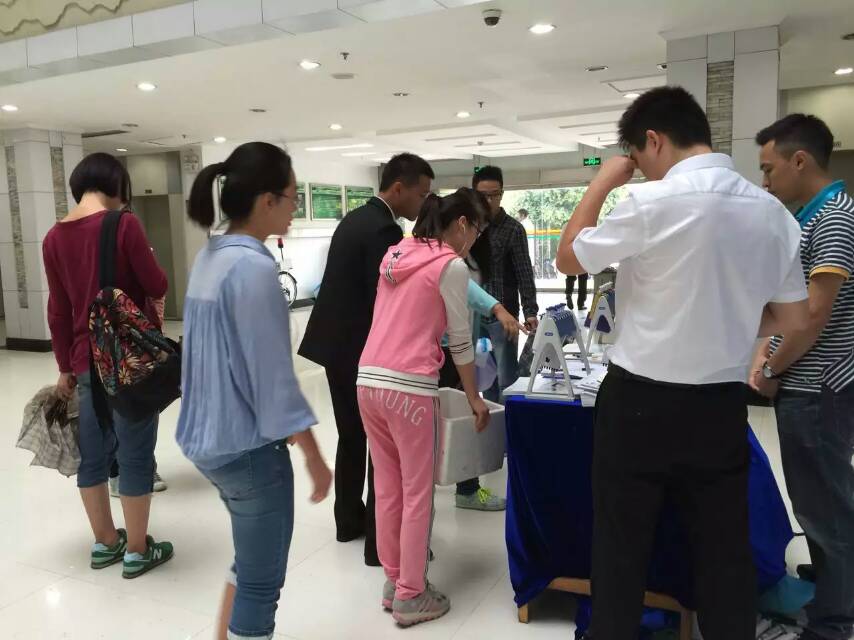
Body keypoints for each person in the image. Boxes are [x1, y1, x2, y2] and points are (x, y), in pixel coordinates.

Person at [555, 86, 810, 640]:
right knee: (723, 553)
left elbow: (568, 257)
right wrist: (727, 319)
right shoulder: (773, 214)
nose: (642, 169)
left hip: (638, 402)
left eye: (638, 158)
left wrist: (603, 181)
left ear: (653, 140)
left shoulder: (651, 202)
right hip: (719, 406)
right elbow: (792, 317)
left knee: (621, 548)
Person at [177, 142, 332, 640]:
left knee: (249, 562)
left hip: (206, 441)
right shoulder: (254, 267)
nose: (294, 210)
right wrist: (314, 455)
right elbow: (272, 379)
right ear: (267, 200)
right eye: (292, 198)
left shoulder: (211, 256)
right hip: (247, 449)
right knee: (261, 584)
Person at [357, 188, 491, 627]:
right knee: (417, 492)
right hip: (409, 387)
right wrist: (473, 396)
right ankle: (412, 595)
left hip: (368, 380)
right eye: (476, 231)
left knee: (387, 488)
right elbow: (460, 341)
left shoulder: (396, 253)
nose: (473, 242)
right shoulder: (450, 265)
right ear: (462, 225)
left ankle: (394, 581)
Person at [299, 153, 434, 566]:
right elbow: (386, 296)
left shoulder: (355, 218)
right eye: (421, 194)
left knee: (351, 435)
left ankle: (347, 520)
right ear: (399, 188)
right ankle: (380, 540)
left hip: (333, 345)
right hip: (360, 350)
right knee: (382, 445)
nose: (423, 203)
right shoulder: (385, 229)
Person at [43, 152, 174, 579]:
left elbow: (58, 309)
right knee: (135, 453)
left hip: (84, 360)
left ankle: (104, 542)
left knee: (93, 453)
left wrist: (65, 365)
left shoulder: (53, 238)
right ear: (117, 186)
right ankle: (137, 550)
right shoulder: (124, 225)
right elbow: (156, 283)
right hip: (127, 361)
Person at [751, 114, 854, 640]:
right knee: (818, 499)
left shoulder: (833, 218)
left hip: (819, 388)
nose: (766, 181)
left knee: (824, 505)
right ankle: (837, 582)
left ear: (800, 160)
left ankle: (835, 620)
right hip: (809, 382)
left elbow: (813, 317)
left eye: (769, 169)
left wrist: (771, 368)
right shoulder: (809, 218)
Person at [420, 195, 525, 511]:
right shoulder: (439, 258)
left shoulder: (463, 252)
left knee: (461, 417)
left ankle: (461, 484)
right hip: (441, 351)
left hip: (456, 346)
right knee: (462, 415)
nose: (479, 235)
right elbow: (465, 290)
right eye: (477, 228)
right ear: (462, 222)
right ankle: (463, 488)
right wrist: (497, 308)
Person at [471, 166, 539, 404]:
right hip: (474, 317)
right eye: (483, 195)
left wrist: (530, 311)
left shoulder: (513, 229)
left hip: (504, 319)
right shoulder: (468, 227)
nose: (489, 201)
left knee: (506, 379)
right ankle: (492, 420)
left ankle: (507, 422)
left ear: (502, 193)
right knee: (483, 378)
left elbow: (524, 273)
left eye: (495, 194)